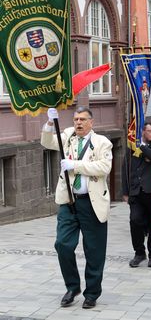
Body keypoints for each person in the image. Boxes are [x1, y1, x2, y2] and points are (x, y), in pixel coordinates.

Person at [41, 107, 113, 309]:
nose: (78, 123)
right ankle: (72, 287)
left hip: (92, 203)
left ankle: (92, 293)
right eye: (75, 119)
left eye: (82, 119)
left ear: (91, 122)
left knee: (94, 250)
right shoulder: (68, 137)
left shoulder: (102, 142)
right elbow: (47, 142)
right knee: (62, 244)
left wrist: (75, 165)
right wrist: (49, 123)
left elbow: (103, 167)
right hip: (69, 202)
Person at [122, 122, 151, 268]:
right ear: (143, 132)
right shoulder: (132, 147)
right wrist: (125, 191)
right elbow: (126, 169)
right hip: (136, 192)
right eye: (150, 131)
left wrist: (141, 147)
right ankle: (139, 252)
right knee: (135, 221)